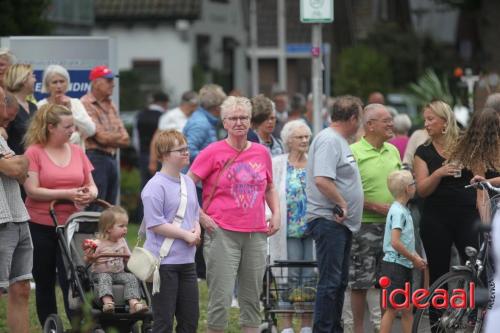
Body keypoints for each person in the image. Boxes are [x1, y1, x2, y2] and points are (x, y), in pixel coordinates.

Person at [188, 96, 280, 332]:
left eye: (243, 118)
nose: (239, 122)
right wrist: (200, 216)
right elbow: (186, 185)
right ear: (224, 122)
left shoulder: (261, 152)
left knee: (252, 298)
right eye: (233, 118)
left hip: (257, 233)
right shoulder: (212, 151)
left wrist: (276, 213)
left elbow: (269, 187)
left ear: (250, 122)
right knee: (221, 297)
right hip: (222, 232)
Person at [23, 103, 98, 326]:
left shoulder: (77, 151)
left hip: (72, 225)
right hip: (41, 224)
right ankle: (50, 324)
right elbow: (32, 189)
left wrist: (89, 195)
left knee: (75, 277)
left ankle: (78, 324)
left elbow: (92, 186)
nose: (72, 131)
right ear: (50, 127)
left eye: (73, 126)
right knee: (44, 278)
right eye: (67, 127)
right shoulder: (34, 152)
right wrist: (68, 193)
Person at [413, 101, 480, 319]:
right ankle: (437, 323)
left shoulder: (466, 145)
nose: (426, 124)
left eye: (430, 119)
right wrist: (438, 173)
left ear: (445, 121)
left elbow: (480, 180)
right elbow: (422, 190)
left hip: (467, 215)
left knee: (474, 269)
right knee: (438, 273)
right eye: (425, 119)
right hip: (436, 218)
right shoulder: (423, 151)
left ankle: (473, 320)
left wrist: (483, 211)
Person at [305, 95, 364, 333]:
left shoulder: (338, 140)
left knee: (338, 282)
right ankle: (324, 329)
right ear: (352, 118)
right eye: (359, 118)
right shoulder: (329, 140)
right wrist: (342, 203)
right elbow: (322, 180)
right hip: (329, 220)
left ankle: (333, 328)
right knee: (330, 283)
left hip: (340, 224)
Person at [348, 104, 401, 333]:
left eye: (391, 120)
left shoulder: (394, 150)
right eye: (386, 120)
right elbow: (347, 194)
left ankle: (384, 328)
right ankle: (358, 329)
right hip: (364, 225)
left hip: (392, 227)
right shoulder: (353, 152)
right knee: (360, 282)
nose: (391, 124)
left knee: (387, 281)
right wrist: (374, 206)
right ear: (370, 125)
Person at [142, 129, 201, 332]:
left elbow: (194, 213)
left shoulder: (188, 182)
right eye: (181, 149)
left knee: (189, 321)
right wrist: (186, 235)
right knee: (163, 322)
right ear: (165, 154)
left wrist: (197, 229)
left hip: (187, 262)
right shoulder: (154, 187)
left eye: (187, 148)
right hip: (163, 264)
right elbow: (155, 223)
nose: (187, 152)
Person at [268, 119, 313, 333]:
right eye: (300, 137)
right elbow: (269, 193)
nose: (305, 140)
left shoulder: (314, 162)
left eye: (307, 136)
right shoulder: (277, 163)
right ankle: (286, 324)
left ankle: (306, 325)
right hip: (288, 231)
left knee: (310, 278)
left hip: (312, 230)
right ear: (288, 140)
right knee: (288, 276)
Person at [183, 83, 226, 280]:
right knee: (197, 223)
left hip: (198, 181)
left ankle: (200, 270)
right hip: (195, 182)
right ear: (216, 107)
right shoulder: (201, 124)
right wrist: (214, 157)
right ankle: (200, 271)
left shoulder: (204, 121)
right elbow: (188, 150)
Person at [0, 85, 32, 333]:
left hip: (18, 215)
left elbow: (23, 169)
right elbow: (14, 168)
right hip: (1, 220)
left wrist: (13, 162)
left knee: (21, 288)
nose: (6, 107)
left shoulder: (2, 135)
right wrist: (12, 163)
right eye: (2, 101)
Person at [379, 170, 427, 333]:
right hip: (395, 266)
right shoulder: (399, 212)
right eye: (413, 183)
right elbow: (395, 242)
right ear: (408, 189)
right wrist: (414, 258)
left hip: (402, 264)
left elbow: (406, 241)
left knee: (407, 307)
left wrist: (416, 256)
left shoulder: (401, 209)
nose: (415, 185)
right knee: (392, 308)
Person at [83, 206, 148, 314]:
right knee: (105, 277)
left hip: (118, 273)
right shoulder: (98, 243)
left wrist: (130, 259)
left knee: (131, 277)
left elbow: (128, 257)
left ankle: (133, 303)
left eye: (126, 226)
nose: (125, 229)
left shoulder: (122, 241)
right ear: (108, 228)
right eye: (121, 226)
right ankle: (108, 303)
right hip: (100, 274)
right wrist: (90, 256)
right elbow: (87, 260)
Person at [81, 65, 129, 207]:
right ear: (95, 82)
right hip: (95, 158)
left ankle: (104, 230)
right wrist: (115, 137)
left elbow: (126, 139)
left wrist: (109, 138)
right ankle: (91, 230)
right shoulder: (85, 103)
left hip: (111, 158)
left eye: (112, 80)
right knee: (96, 205)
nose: (113, 84)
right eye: (108, 80)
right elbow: (100, 138)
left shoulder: (111, 105)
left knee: (109, 207)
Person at [37, 64, 96, 149]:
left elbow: (91, 130)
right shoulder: (41, 106)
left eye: (62, 81)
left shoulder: (75, 103)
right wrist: (76, 135)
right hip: (50, 155)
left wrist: (70, 109)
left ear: (67, 83)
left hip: (75, 157)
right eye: (54, 82)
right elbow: (39, 135)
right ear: (47, 86)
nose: (59, 86)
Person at [148, 90, 198, 175]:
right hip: (172, 161)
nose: (194, 108)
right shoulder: (170, 116)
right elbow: (157, 139)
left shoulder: (195, 116)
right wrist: (153, 161)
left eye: (195, 106)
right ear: (185, 104)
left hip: (189, 161)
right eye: (192, 106)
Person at [136, 91, 169, 189]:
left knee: (145, 186)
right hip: (159, 156)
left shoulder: (140, 115)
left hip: (143, 154)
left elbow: (135, 139)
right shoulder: (165, 117)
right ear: (165, 103)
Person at [4, 63, 37, 155]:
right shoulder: (6, 105)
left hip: (32, 162)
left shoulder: (33, 107)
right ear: (23, 79)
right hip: (12, 163)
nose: (35, 80)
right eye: (32, 76)